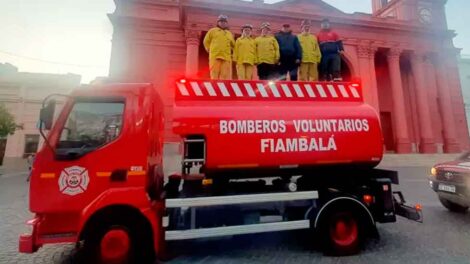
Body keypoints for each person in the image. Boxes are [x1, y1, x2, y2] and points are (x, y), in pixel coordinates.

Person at [203, 15, 235, 80]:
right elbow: (206, 41)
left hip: (226, 57)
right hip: (215, 55)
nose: (223, 23)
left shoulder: (229, 33)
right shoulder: (212, 31)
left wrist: (233, 55)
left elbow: (233, 45)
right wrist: (208, 49)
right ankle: (214, 88)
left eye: (225, 22)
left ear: (227, 23)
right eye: (221, 21)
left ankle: (223, 89)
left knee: (224, 75)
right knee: (214, 73)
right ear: (218, 22)